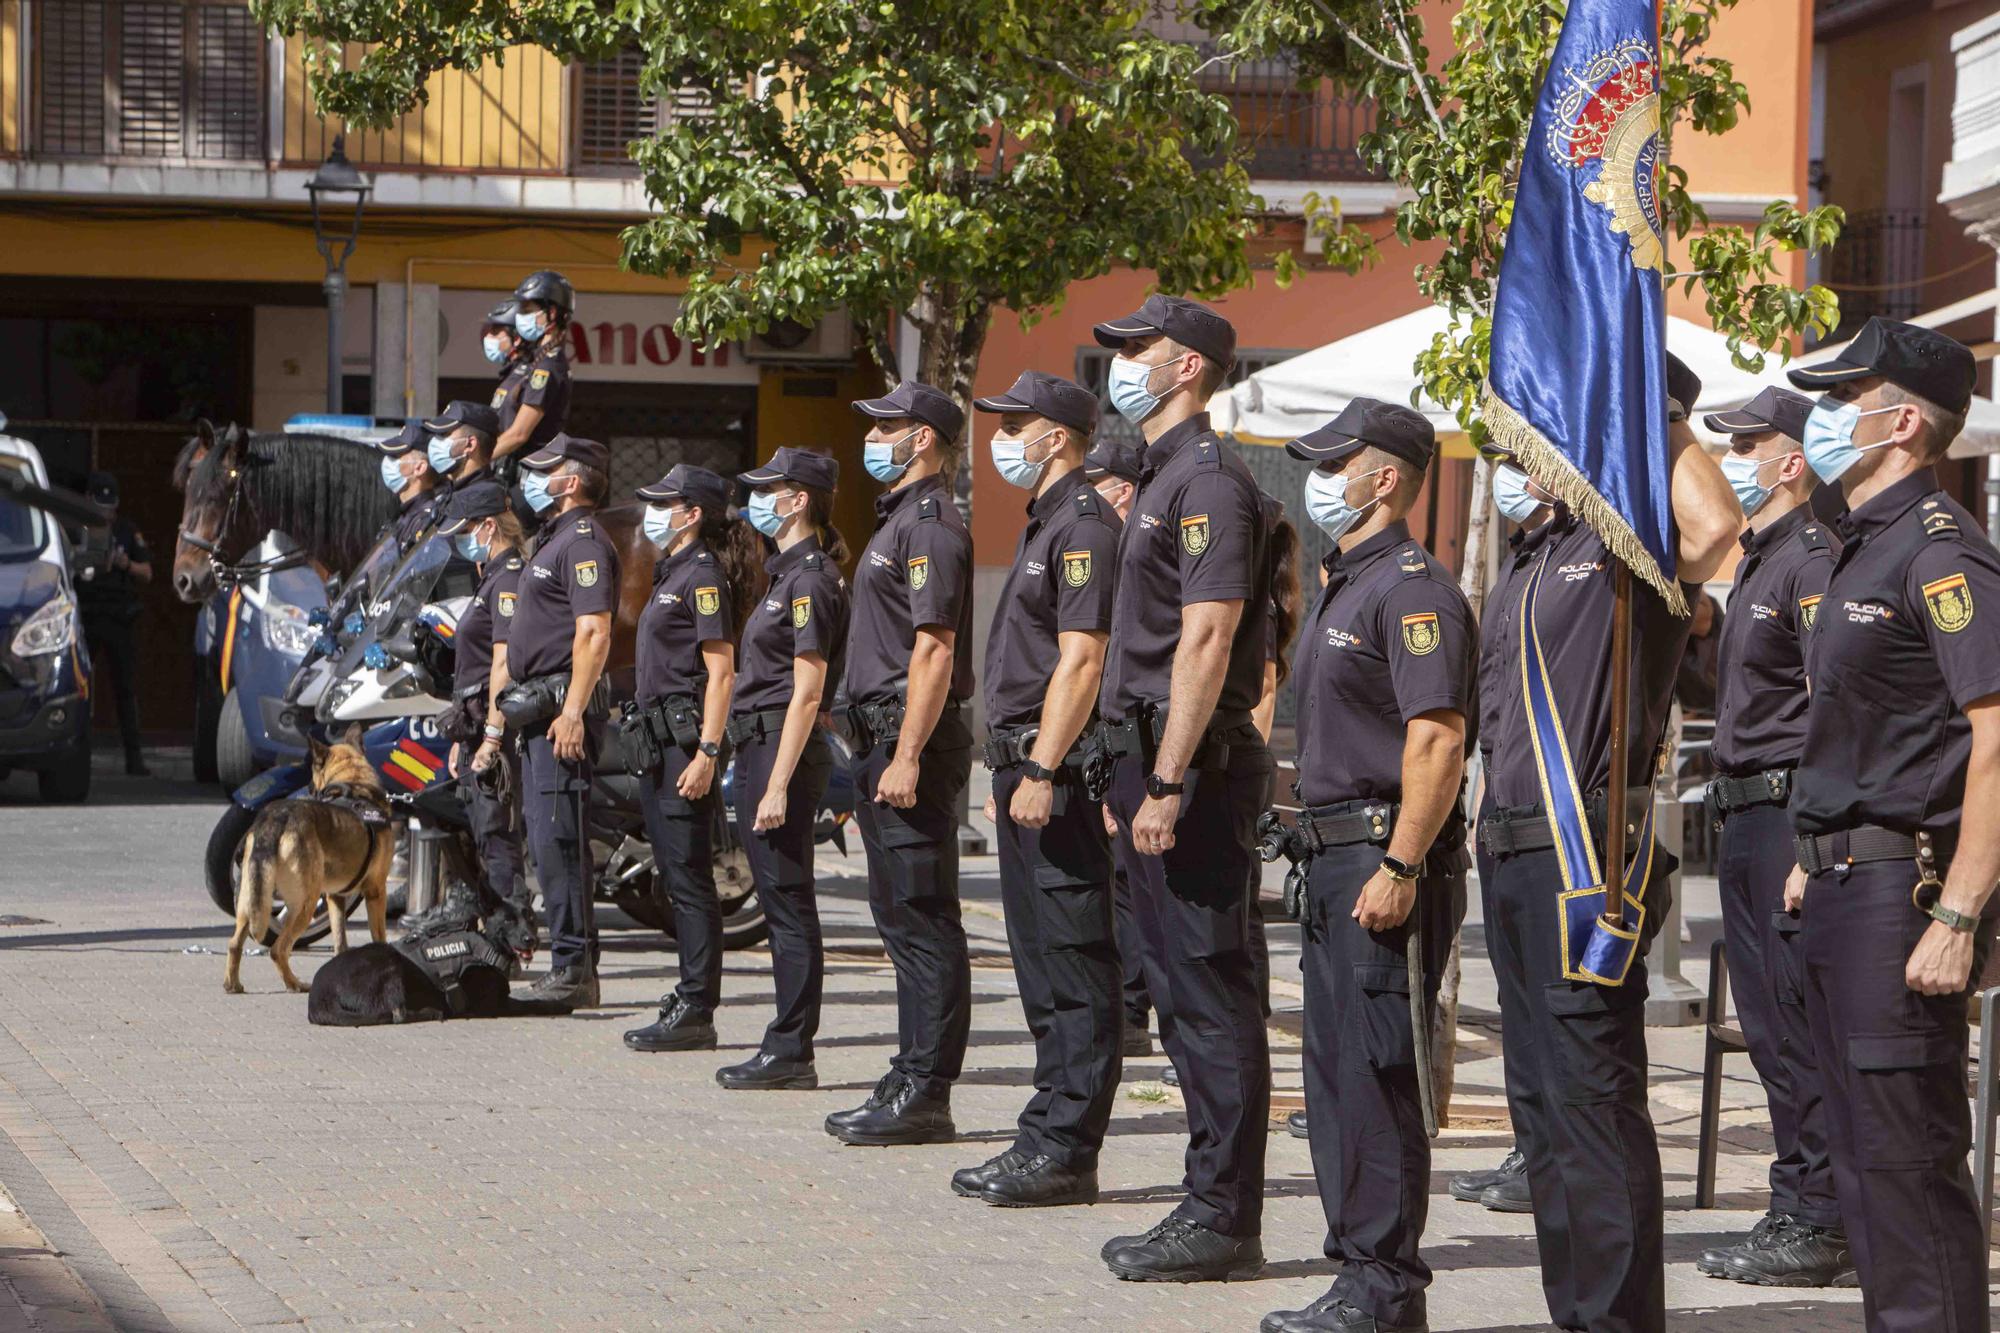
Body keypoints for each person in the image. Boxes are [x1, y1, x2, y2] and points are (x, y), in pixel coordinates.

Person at [1472, 352, 1738, 1331]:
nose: (1520, 449)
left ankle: (1617, 1318)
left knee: (1590, 1098)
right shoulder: (1535, 546)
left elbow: (1714, 529)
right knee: (1541, 1109)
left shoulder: (1630, 543)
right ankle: (1573, 1309)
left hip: (1582, 857)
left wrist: (1650, 416)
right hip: (1508, 846)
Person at [1783, 318, 1998, 1330]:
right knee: (1863, 1169)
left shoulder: (1941, 551)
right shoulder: (1855, 546)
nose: (1820, 419)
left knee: (1906, 1168)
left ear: (1901, 419)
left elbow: (1994, 736)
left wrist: (1956, 914)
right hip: (1835, 886)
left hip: (1898, 893)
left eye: (1840, 399)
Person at [1259, 398, 1477, 1333]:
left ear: (1383, 476)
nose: (1318, 478)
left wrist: (1401, 862)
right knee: (1336, 1075)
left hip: (1381, 859)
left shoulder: (1413, 589)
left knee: (1380, 1078)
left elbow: (1437, 738)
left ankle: (1386, 1287)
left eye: (1332, 461)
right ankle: (1356, 1268)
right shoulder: (1348, 580)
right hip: (1331, 856)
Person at [1090, 294, 1274, 1282]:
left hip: (1187, 767)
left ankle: (1222, 1215)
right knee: (1174, 990)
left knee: (1207, 993)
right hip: (1149, 760)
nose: (1122, 364)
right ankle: (1203, 1200)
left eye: (1139, 350)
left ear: (1187, 367)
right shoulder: (1161, 477)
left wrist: (1165, 777)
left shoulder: (1206, 480)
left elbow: (1203, 636)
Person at [953, 370, 1122, 1207]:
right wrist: (1010, 765)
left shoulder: (1084, 524)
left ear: (1057, 436)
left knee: (1073, 961)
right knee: (1037, 965)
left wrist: (1047, 766)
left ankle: (1068, 1148)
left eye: (1016, 424)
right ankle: (1044, 1129)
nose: (1003, 439)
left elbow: (1082, 658)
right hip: (1022, 766)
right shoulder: (1046, 521)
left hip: (1052, 775)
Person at [1694, 385, 1851, 1286]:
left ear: (1791, 460)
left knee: (1794, 1023)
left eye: (1749, 445)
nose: (1735, 460)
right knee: (1765, 1022)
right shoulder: (1763, 559)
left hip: (1788, 813)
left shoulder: (1812, 560)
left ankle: (1818, 1215)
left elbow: (1835, 703)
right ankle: (1794, 1198)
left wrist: (1810, 840)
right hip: (1747, 812)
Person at [824, 380, 977, 1147]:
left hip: (908, 741)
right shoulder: (899, 524)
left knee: (923, 922)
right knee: (897, 919)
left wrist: (909, 752)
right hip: (879, 740)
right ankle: (909, 1068)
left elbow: (935, 647)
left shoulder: (932, 528)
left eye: (887, 425)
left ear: (922, 438)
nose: (873, 436)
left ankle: (928, 1089)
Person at [713, 447, 852, 1091]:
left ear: (798, 500)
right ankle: (787, 1042)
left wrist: (775, 784)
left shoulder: (811, 579)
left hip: (781, 751)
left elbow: (808, 688)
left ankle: (792, 1050)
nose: (758, 501)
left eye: (771, 489)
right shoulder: (783, 576)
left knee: (789, 906)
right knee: (780, 900)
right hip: (761, 746)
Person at [622, 464, 759, 1054]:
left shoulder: (702, 576)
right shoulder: (671, 572)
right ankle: (688, 996)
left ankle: (697, 1007)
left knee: (690, 880)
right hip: (657, 742)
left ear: (692, 514)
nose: (653, 512)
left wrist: (708, 751)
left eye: (664, 503)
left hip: (683, 746)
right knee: (675, 878)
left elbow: (721, 670)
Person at [498, 434, 619, 1007]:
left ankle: (571, 968)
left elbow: (594, 632)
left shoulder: (584, 543)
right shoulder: (556, 540)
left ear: (570, 482)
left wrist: (572, 711)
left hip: (559, 715)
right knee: (548, 842)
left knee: (559, 841)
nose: (533, 480)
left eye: (544, 471)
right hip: (540, 712)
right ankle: (577, 964)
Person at [424, 482, 532, 940]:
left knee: (496, 835)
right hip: (473, 729)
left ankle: (511, 936)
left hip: (494, 732)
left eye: (466, 530)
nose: (462, 540)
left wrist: (490, 737)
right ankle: (486, 930)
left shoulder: (507, 580)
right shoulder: (490, 576)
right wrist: (462, 741)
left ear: (489, 526)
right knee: (476, 830)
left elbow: (503, 664)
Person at [1082, 438, 1153, 1058]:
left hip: (1156, 758)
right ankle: (1130, 1009)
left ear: (1122, 490)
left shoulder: (1141, 556)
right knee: (1122, 893)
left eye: (1096, 484)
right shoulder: (1115, 552)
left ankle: (1139, 1008)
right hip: (1118, 752)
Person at [75, 471, 152, 776]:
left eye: (111, 507)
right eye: (101, 506)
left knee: (125, 689)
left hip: (118, 617)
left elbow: (147, 572)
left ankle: (134, 759)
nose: (107, 513)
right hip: (87, 616)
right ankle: (76, 753)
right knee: (78, 688)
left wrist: (125, 564)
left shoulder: (126, 530)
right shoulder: (74, 528)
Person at [493, 271, 575, 465]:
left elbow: (519, 434)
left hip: (527, 476)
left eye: (527, 310)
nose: (521, 316)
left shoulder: (548, 366)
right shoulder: (531, 361)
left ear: (552, 313)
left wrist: (476, 462)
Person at [378, 422, 443, 551]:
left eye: (395, 457)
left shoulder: (427, 520)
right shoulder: (404, 515)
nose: (387, 462)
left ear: (419, 468)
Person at [423, 401, 503, 488]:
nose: (435, 440)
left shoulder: (481, 497)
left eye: (444, 434)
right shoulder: (455, 492)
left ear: (470, 445)